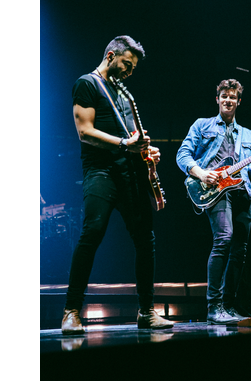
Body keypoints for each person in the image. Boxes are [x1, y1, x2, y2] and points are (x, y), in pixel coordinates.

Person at [61, 35, 174, 334]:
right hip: (101, 171)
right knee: (92, 232)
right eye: (126, 64)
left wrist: (146, 151)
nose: (130, 71)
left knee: (145, 239)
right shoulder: (86, 84)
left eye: (133, 68)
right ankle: (71, 311)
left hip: (131, 172)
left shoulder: (123, 93)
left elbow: (132, 137)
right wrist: (126, 144)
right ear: (111, 55)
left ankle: (147, 312)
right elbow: (85, 132)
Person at [175, 79, 251, 324]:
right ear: (217, 99)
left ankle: (227, 306)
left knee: (240, 251)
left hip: (242, 192)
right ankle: (213, 306)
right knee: (223, 239)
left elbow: (250, 172)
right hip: (215, 189)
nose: (228, 100)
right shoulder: (202, 125)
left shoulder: (247, 134)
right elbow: (182, 154)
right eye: (224, 96)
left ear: (239, 101)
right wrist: (200, 172)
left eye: (233, 97)